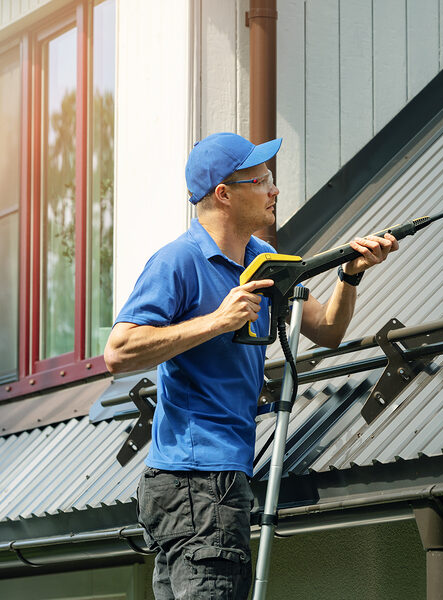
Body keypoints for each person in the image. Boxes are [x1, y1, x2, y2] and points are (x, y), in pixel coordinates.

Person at [104, 132, 398, 599]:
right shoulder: (178, 261)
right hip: (196, 483)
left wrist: (350, 274)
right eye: (262, 181)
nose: (274, 191)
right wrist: (217, 321)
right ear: (225, 194)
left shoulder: (263, 261)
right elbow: (119, 352)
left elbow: (327, 330)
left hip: (209, 481)